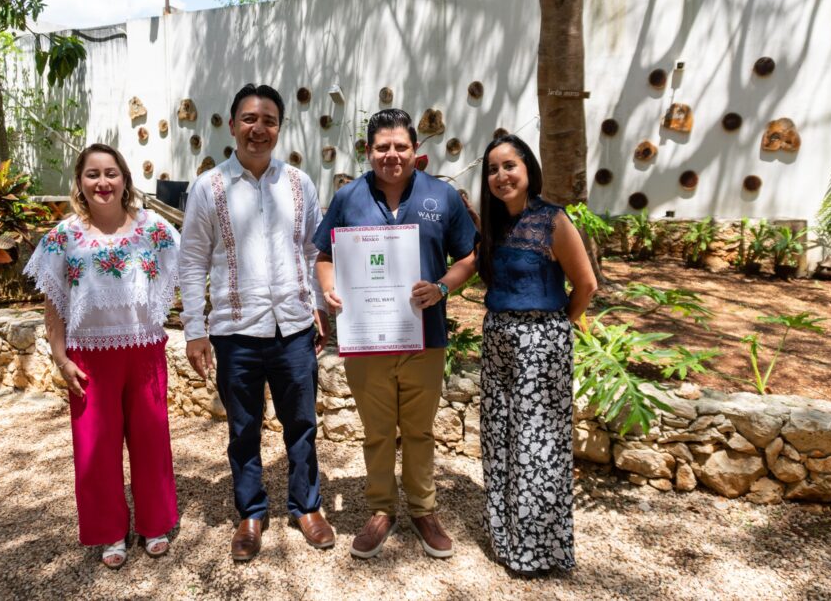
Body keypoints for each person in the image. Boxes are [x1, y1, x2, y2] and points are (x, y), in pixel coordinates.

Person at [178, 83, 335, 562]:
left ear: (279, 129)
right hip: (235, 330)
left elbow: (314, 251)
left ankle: (306, 506)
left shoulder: (300, 184)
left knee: (302, 424)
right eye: (249, 118)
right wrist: (194, 330)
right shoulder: (208, 187)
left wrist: (320, 307)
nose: (258, 128)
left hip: (292, 327)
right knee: (242, 429)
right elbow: (191, 261)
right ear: (232, 126)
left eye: (268, 120)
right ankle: (250, 513)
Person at [313, 108, 478, 559]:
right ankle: (382, 509)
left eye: (400, 146)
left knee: (420, 431)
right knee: (378, 431)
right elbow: (324, 254)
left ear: (416, 151)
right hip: (367, 338)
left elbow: (469, 257)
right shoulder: (348, 197)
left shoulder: (441, 197)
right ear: (369, 151)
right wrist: (328, 288)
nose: (391, 155)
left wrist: (443, 286)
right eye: (382, 147)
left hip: (424, 335)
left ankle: (424, 510)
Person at [23, 143, 180, 569]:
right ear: (80, 182)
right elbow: (53, 304)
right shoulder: (63, 237)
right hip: (88, 357)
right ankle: (109, 530)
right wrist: (60, 358)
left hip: (144, 352)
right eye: (92, 174)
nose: (102, 182)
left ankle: (155, 523)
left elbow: (189, 267)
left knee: (151, 443)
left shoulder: (154, 229)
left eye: (111, 173)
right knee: (95, 448)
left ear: (125, 179)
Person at [475, 134, 597, 576]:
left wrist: (556, 324)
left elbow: (585, 285)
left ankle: (540, 550)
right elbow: (472, 266)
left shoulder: (553, 220)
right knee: (500, 435)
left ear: (528, 169)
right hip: (499, 339)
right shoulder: (494, 225)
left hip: (540, 340)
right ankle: (506, 538)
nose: (501, 176)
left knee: (536, 444)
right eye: (492, 169)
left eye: (510, 165)